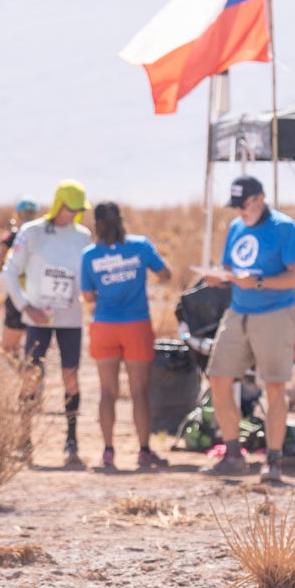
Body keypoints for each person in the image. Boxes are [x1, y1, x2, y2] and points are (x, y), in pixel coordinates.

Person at [207, 175, 295, 483]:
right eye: (236, 206)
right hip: (239, 311)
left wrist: (259, 282)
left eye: (244, 205)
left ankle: (273, 461)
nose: (240, 212)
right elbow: (229, 268)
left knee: (274, 387)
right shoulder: (236, 227)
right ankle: (233, 455)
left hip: (275, 313)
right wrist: (217, 276)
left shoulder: (284, 227)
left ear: (260, 199)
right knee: (218, 377)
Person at [5, 180, 93, 467]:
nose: (74, 214)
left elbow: (86, 275)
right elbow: (10, 270)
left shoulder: (83, 237)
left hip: (70, 318)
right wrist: (25, 306)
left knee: (71, 375)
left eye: (79, 209)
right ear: (58, 205)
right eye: (70, 208)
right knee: (31, 375)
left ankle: (71, 440)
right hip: (37, 318)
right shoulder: (32, 232)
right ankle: (23, 440)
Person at [79, 201, 172, 471]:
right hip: (136, 324)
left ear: (96, 224)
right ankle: (143, 451)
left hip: (104, 326)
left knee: (107, 392)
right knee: (139, 392)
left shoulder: (89, 255)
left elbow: (88, 296)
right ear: (121, 220)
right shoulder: (140, 246)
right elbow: (166, 274)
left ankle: (108, 451)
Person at [0, 197, 41, 354]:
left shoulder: (12, 236)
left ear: (18, 214)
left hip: (16, 294)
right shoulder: (42, 236)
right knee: (35, 349)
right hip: (38, 295)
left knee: (8, 349)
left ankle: (20, 368)